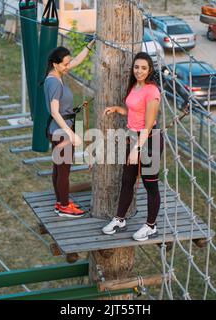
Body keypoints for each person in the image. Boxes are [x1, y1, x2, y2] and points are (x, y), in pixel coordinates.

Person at [101, 52, 163, 241]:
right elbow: (135, 112)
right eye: (137, 67)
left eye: (144, 68)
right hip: (133, 138)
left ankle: (151, 226)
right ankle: (120, 219)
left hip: (149, 141)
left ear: (150, 69)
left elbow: (148, 123)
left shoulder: (152, 91)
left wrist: (137, 149)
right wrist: (119, 110)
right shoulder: (135, 86)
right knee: (127, 180)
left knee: (149, 184)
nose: (139, 71)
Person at [43, 41, 95, 218]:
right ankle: (64, 206)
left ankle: (61, 201)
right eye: (65, 64)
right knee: (63, 171)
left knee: (59, 169)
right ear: (55, 64)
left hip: (58, 130)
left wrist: (90, 46)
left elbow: (77, 61)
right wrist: (71, 134)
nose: (68, 67)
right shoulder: (55, 83)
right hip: (61, 132)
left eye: (68, 63)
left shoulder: (56, 75)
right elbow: (54, 112)